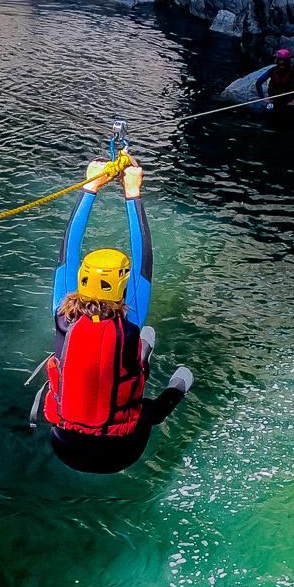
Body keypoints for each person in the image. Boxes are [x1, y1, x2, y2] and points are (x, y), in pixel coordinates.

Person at [42, 157, 193, 473]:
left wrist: (91, 186)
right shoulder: (130, 321)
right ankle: (177, 386)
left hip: (63, 444)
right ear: (123, 288)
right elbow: (144, 255)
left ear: (82, 278)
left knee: (117, 371)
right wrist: (133, 192)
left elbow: (68, 248)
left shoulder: (61, 313)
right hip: (120, 453)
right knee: (145, 409)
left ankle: (143, 356)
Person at [255, 48, 294, 117]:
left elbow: (258, 83)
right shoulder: (293, 72)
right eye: (281, 61)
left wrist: (262, 97)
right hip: (285, 101)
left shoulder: (273, 70)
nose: (282, 63)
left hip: (277, 100)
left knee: (270, 116)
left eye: (283, 61)